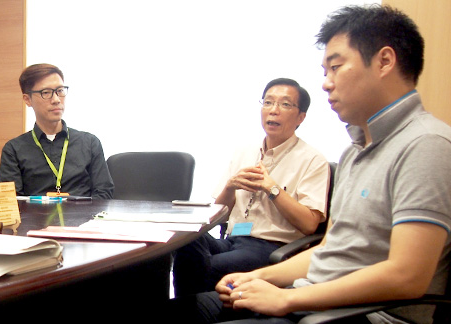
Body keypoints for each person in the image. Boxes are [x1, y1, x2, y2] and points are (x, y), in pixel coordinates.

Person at [180, 5, 451, 324]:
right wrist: (262, 277)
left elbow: (407, 276)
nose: (326, 83)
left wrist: (287, 299)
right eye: (325, 72)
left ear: (384, 61)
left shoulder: (427, 144)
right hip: (311, 299)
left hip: (362, 315)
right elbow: (329, 249)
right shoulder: (355, 151)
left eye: (335, 67)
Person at [172, 78, 330, 297]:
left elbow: (310, 224)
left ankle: (184, 312)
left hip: (270, 247)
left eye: (285, 104)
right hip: (231, 239)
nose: (273, 111)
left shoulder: (313, 160)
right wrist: (230, 187)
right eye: (268, 102)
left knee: (206, 267)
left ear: (301, 117)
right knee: (185, 240)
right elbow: (218, 214)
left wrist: (272, 189)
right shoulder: (245, 151)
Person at [0, 63, 114, 198]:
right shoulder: (14, 149)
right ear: (27, 99)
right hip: (35, 218)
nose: (56, 100)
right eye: (46, 93)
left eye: (60, 91)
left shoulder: (89, 143)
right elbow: (10, 202)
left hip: (81, 218)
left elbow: (104, 193)